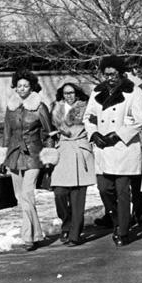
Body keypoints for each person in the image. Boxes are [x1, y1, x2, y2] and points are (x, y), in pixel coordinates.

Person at [84, 55, 142, 247]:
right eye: (106, 74)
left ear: (121, 73)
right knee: (104, 189)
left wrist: (117, 135)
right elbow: (89, 116)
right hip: (103, 148)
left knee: (122, 191)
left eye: (113, 73)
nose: (110, 77)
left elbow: (140, 120)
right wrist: (93, 134)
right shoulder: (96, 92)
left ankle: (124, 230)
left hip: (123, 148)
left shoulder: (133, 92)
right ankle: (118, 221)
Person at [0, 70, 52, 251]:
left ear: (32, 87)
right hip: (14, 155)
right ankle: (37, 233)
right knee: (20, 197)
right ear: (15, 87)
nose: (22, 89)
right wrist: (2, 158)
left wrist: (49, 156)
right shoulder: (11, 107)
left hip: (33, 156)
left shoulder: (39, 107)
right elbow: (7, 133)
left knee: (28, 195)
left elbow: (48, 133)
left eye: (26, 86)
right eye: (19, 85)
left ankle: (27, 238)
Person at [50, 82, 94, 247]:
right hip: (62, 151)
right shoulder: (55, 109)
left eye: (72, 92)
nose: (69, 96)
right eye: (66, 93)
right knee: (59, 193)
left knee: (77, 197)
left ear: (77, 94)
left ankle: (74, 234)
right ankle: (66, 223)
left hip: (79, 151)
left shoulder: (86, 108)